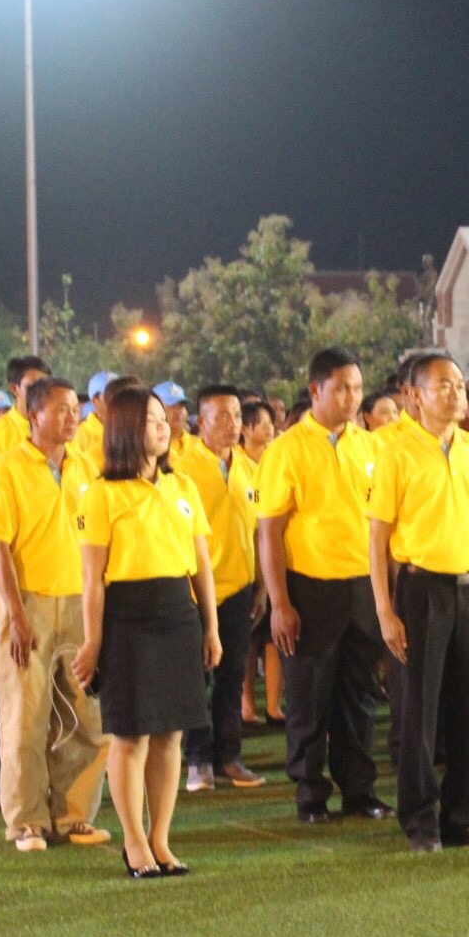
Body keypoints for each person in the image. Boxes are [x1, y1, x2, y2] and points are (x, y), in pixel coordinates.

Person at [72, 386, 221, 878]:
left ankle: (162, 839)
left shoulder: (183, 489)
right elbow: (91, 579)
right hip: (127, 618)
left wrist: (210, 626)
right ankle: (134, 842)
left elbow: (202, 565)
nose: (164, 426)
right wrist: (93, 641)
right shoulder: (101, 494)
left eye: (165, 418)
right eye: (152, 419)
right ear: (125, 430)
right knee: (131, 737)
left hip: (178, 612)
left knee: (170, 736)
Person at [368, 352, 469, 851]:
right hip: (421, 590)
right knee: (419, 710)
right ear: (413, 395)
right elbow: (378, 536)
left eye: (459, 386)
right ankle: (421, 820)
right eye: (442, 386)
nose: (456, 394)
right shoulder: (395, 453)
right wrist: (386, 609)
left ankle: (463, 813)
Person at [254, 348, 391, 825]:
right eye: (342, 388)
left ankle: (360, 790)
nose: (353, 397)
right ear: (316, 391)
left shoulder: (372, 446)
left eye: (357, 387)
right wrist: (280, 603)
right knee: (309, 699)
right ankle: (311, 795)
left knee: (360, 697)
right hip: (309, 590)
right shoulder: (286, 449)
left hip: (363, 588)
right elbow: (269, 530)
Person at [0, 375, 109, 852]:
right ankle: (26, 821)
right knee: (25, 719)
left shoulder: (85, 466)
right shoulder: (7, 468)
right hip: (28, 604)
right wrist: (16, 616)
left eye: (74, 408)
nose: (72, 417)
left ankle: (73, 815)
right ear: (33, 415)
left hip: (79, 604)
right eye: (60, 409)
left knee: (86, 716)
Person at [171, 385, 266, 793]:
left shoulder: (248, 467)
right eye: (221, 416)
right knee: (193, 678)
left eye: (236, 417)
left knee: (231, 676)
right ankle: (197, 760)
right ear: (200, 422)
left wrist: (260, 587)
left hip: (240, 589)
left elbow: (257, 531)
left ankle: (229, 756)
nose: (232, 425)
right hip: (195, 592)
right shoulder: (181, 467)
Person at [235, 396, 285, 726]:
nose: (269, 428)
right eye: (262, 423)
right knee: (246, 642)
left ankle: (274, 705)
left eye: (271, 422)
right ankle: (247, 705)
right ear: (246, 429)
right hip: (242, 563)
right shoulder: (236, 464)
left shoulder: (275, 459)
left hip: (270, 560)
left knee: (273, 639)